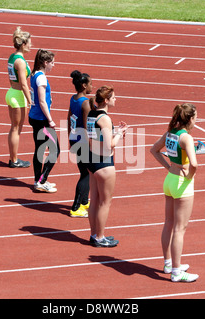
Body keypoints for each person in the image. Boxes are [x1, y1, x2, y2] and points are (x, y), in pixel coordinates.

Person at [150, 103, 199, 282]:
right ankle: (177, 272)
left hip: (169, 180)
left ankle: (168, 263)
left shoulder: (170, 133)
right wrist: (189, 176)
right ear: (190, 119)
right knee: (180, 229)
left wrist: (168, 166)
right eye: (196, 117)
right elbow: (194, 164)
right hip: (181, 183)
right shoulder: (186, 138)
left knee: (169, 223)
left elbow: (153, 150)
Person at [86, 86, 127, 247]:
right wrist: (119, 134)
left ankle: (94, 234)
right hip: (104, 163)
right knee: (105, 202)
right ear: (106, 100)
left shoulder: (91, 114)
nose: (116, 99)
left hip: (91, 159)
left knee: (94, 200)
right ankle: (100, 237)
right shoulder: (105, 118)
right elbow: (110, 145)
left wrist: (115, 132)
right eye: (114, 97)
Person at [28, 49, 59, 193]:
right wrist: (50, 120)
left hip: (35, 116)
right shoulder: (41, 78)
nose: (54, 65)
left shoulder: (34, 74)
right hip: (42, 119)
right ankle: (42, 180)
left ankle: (38, 180)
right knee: (55, 150)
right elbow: (42, 101)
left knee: (40, 150)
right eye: (52, 62)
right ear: (45, 63)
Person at [5, 27, 32, 168]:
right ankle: (14, 160)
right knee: (16, 128)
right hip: (18, 96)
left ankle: (13, 158)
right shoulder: (20, 62)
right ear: (23, 44)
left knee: (14, 127)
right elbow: (23, 83)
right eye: (29, 43)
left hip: (11, 92)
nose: (31, 46)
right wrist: (30, 100)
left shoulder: (12, 57)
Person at [68, 70, 93, 218]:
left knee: (85, 171)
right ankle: (76, 207)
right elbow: (86, 127)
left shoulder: (73, 99)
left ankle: (84, 201)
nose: (92, 86)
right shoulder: (85, 104)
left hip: (75, 139)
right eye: (90, 84)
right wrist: (91, 145)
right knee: (86, 174)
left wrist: (69, 139)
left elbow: (69, 117)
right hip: (83, 142)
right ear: (84, 85)